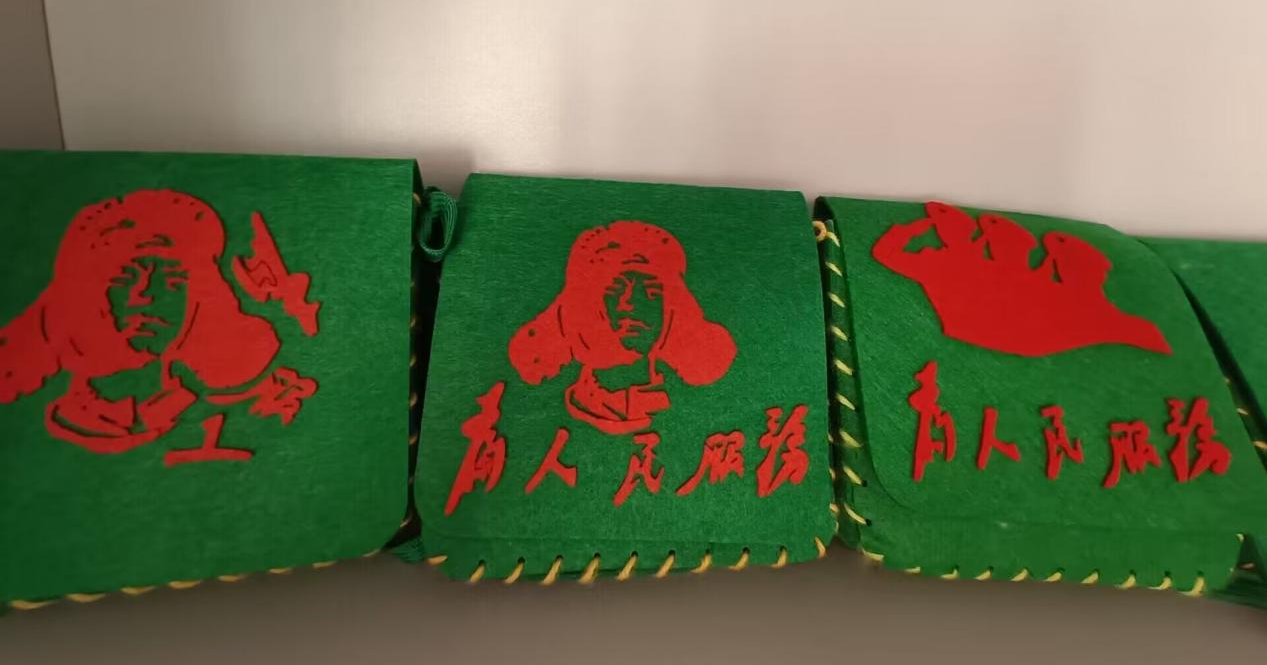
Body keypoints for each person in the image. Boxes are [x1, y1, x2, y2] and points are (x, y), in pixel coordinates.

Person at [509, 221, 736, 434]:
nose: (630, 304)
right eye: (616, 289)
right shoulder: (552, 411)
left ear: (673, 312)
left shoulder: (689, 410)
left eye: (651, 292)